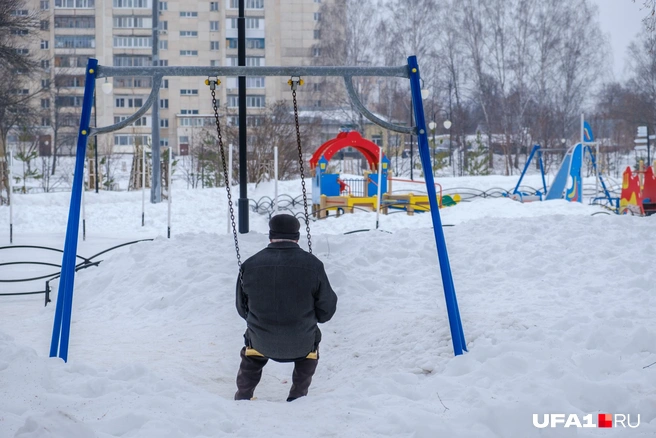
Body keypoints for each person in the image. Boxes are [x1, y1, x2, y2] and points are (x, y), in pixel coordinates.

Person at [234, 213, 338, 402]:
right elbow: (326, 309)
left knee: (251, 348)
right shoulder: (313, 265)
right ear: (297, 237)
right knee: (312, 342)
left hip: (260, 342)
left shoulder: (249, 265)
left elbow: (242, 309)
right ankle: (297, 396)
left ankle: (243, 395)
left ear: (270, 236)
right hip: (302, 342)